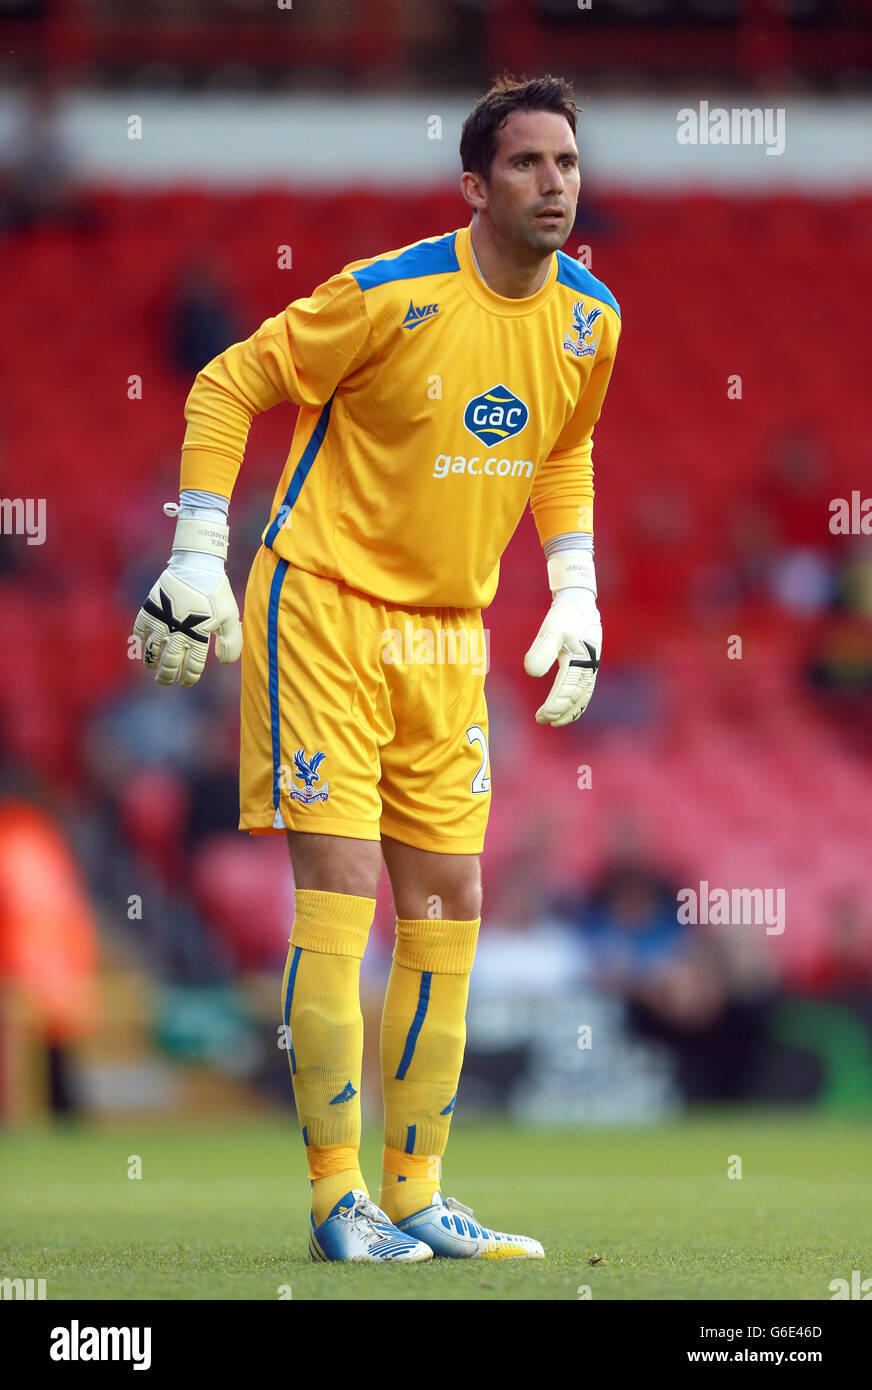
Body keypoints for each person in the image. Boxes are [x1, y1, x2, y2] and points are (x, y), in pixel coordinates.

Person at [134, 73, 621, 1263]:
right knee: (342, 896)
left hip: (449, 635)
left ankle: (416, 1189)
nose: (551, 183)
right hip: (328, 607)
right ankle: (334, 1195)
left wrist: (573, 585)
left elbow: (562, 446)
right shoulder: (389, 295)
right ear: (473, 185)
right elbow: (230, 377)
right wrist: (199, 550)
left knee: (449, 902)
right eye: (525, 164)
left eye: (565, 162)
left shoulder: (590, 317)